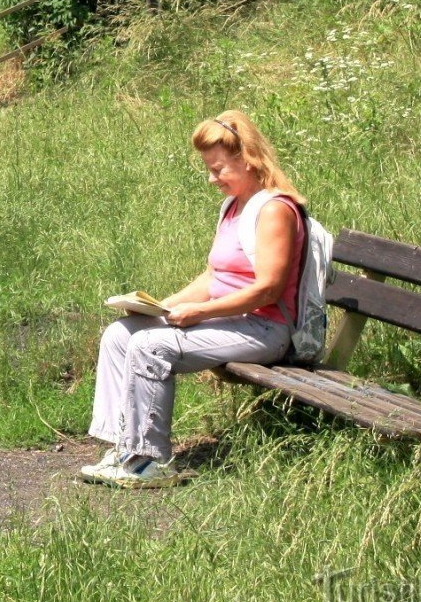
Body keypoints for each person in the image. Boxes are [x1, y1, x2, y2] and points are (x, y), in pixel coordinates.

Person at [81, 109, 306, 488]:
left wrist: (201, 312)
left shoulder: (275, 211)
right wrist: (160, 307)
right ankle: (124, 447)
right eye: (209, 168)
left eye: (218, 168)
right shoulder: (233, 206)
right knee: (122, 334)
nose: (211, 178)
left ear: (248, 159)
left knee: (151, 345)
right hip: (230, 320)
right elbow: (214, 275)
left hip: (267, 328)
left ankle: (152, 460)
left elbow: (267, 289)